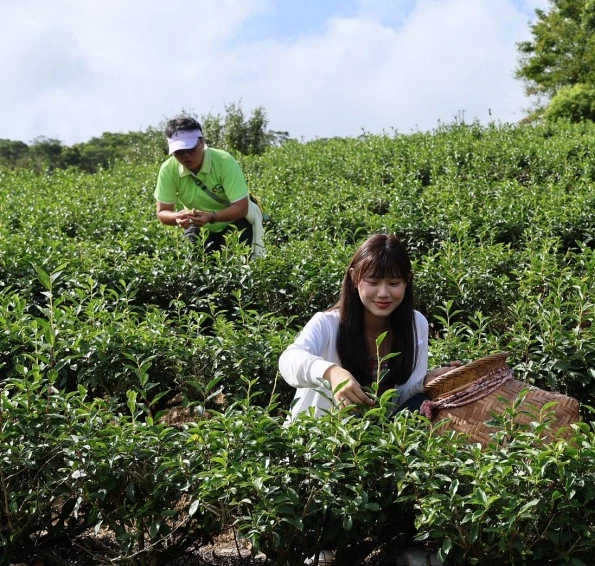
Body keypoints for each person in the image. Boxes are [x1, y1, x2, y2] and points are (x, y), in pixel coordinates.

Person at [278, 233, 459, 417]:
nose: (383, 293)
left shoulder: (415, 324)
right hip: (321, 438)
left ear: (407, 280)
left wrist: (424, 383)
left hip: (379, 438)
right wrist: (331, 373)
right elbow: (289, 360)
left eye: (394, 283)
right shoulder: (328, 324)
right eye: (373, 282)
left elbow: (399, 399)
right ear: (355, 278)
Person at [154, 116, 264, 255]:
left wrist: (211, 216)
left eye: (191, 149)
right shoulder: (168, 169)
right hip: (197, 224)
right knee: (195, 262)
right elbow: (162, 212)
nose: (186, 156)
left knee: (236, 264)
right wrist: (176, 217)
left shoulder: (224, 161)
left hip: (234, 221)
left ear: (203, 142)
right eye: (179, 152)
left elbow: (241, 208)